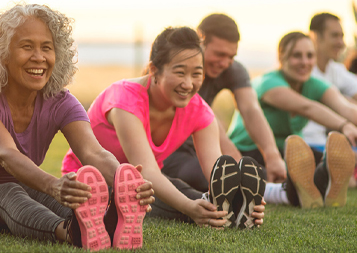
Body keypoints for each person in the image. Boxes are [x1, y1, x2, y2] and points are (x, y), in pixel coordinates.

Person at [0, 3, 154, 252]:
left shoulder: (60, 101)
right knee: (9, 194)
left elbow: (93, 152)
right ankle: (69, 232)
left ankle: (107, 222)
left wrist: (126, 182)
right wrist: (53, 184)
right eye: (27, 47)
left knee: (76, 195)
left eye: (47, 48)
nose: (39, 57)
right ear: (2, 53)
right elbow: (5, 154)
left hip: (19, 180)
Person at [62, 26, 266, 229]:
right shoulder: (125, 100)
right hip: (90, 182)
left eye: (197, 73)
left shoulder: (199, 111)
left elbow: (216, 173)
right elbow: (147, 172)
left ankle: (234, 211)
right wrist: (190, 207)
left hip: (144, 185)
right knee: (152, 194)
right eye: (180, 73)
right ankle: (220, 213)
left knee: (178, 190)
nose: (188, 84)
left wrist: (237, 195)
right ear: (154, 70)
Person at [227, 31, 356, 208]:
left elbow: (346, 107)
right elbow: (306, 107)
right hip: (251, 150)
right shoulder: (268, 83)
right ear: (281, 56)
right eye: (297, 55)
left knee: (332, 168)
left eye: (310, 56)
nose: (305, 62)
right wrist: (345, 125)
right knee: (261, 175)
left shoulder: (314, 84)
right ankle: (308, 187)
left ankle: (321, 186)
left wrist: (349, 121)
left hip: (291, 152)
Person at [160, 14, 286, 192]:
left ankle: (287, 189)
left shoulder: (233, 70)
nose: (225, 63)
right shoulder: (181, 71)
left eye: (231, 56)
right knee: (205, 176)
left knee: (260, 172)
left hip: (204, 148)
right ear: (199, 42)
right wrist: (235, 161)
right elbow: (207, 118)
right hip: (172, 151)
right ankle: (271, 191)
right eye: (219, 54)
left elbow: (251, 110)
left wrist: (272, 155)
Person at [301, 13, 357, 160]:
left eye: (342, 36)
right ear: (315, 37)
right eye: (335, 36)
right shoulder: (301, 72)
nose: (341, 43)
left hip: (327, 142)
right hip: (307, 144)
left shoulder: (336, 70)